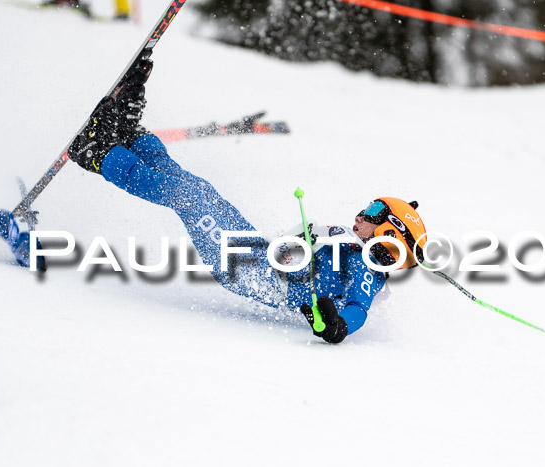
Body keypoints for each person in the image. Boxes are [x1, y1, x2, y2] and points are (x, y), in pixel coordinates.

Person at [68, 58, 427, 344]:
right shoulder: (349, 241)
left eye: (375, 213)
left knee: (187, 196)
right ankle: (131, 136)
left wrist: (338, 327)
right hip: (256, 249)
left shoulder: (369, 269)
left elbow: (358, 309)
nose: (363, 213)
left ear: (389, 238)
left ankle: (97, 156)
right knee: (197, 187)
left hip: (247, 270)